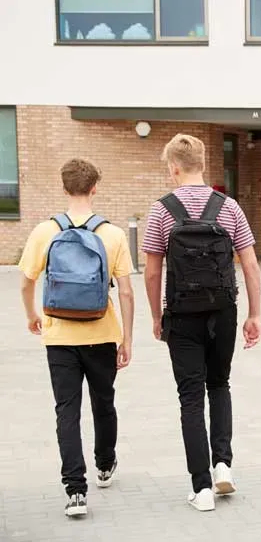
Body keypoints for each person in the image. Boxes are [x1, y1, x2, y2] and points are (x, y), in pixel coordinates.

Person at [143, 134, 261, 512]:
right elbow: (250, 265)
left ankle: (202, 489)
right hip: (223, 311)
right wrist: (254, 314)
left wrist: (156, 316)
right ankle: (222, 464)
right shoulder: (229, 207)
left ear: (174, 167)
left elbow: (150, 271)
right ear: (204, 165)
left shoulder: (161, 211)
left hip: (181, 314)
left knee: (190, 397)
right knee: (220, 384)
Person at [18, 159, 135, 517]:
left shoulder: (44, 232)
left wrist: (32, 317)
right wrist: (126, 339)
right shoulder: (112, 234)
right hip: (101, 334)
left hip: (59, 336)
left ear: (64, 187)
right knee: (104, 403)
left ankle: (75, 492)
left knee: (66, 411)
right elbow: (127, 292)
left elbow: (25, 282)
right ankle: (104, 464)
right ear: (95, 187)